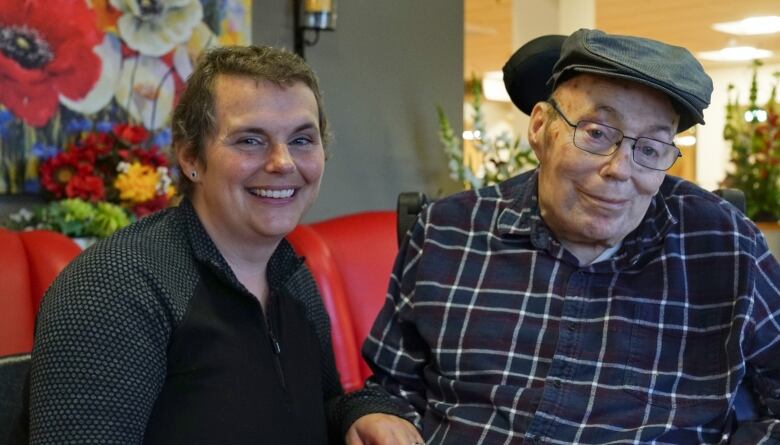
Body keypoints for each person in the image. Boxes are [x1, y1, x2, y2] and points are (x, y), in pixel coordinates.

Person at [342, 29, 780, 443]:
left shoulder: (724, 243)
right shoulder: (447, 231)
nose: (620, 169)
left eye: (649, 149)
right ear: (540, 129)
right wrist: (375, 413)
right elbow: (391, 386)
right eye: (596, 133)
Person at [15, 45, 416, 445]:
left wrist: (361, 411)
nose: (283, 162)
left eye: (301, 140)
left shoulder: (292, 278)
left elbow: (315, 409)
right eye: (250, 140)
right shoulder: (114, 288)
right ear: (191, 157)